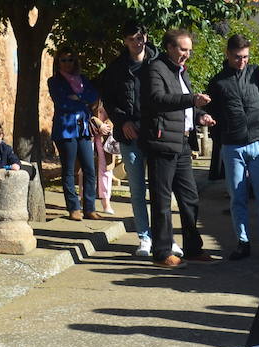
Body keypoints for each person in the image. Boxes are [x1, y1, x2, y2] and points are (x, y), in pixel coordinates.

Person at [141, 28, 216, 266]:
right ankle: (162, 252)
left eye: (189, 50)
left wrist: (200, 115)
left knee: (190, 198)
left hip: (182, 142)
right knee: (162, 201)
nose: (187, 55)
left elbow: (185, 107)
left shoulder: (181, 72)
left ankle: (193, 248)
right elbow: (157, 100)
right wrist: (191, 100)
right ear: (170, 47)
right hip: (162, 142)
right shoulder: (155, 69)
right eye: (183, 49)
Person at [204, 35, 259, 261]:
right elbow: (212, 112)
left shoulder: (256, 73)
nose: (242, 61)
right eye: (237, 57)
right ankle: (243, 242)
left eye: (245, 57)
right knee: (237, 197)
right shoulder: (218, 82)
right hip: (232, 146)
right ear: (228, 54)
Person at [97, 24, 158, 256]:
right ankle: (144, 237)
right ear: (125, 41)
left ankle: (162, 236)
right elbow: (109, 101)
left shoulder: (158, 63)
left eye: (140, 37)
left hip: (155, 135)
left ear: (146, 37)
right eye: (132, 39)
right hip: (130, 136)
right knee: (136, 190)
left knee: (159, 188)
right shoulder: (116, 68)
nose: (137, 42)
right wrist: (123, 122)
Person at [46, 48, 103, 221]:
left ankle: (90, 208)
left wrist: (77, 97)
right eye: (63, 60)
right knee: (69, 170)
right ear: (58, 62)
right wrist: (81, 100)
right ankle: (73, 208)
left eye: (70, 60)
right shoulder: (54, 81)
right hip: (65, 130)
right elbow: (62, 102)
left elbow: (93, 95)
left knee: (89, 169)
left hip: (83, 129)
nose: (67, 63)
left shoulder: (83, 79)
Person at [89, 100, 116, 215]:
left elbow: (116, 113)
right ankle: (83, 199)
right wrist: (98, 124)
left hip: (106, 137)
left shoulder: (112, 93)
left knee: (106, 170)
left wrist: (108, 125)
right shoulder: (90, 90)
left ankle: (106, 202)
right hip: (88, 133)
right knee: (85, 168)